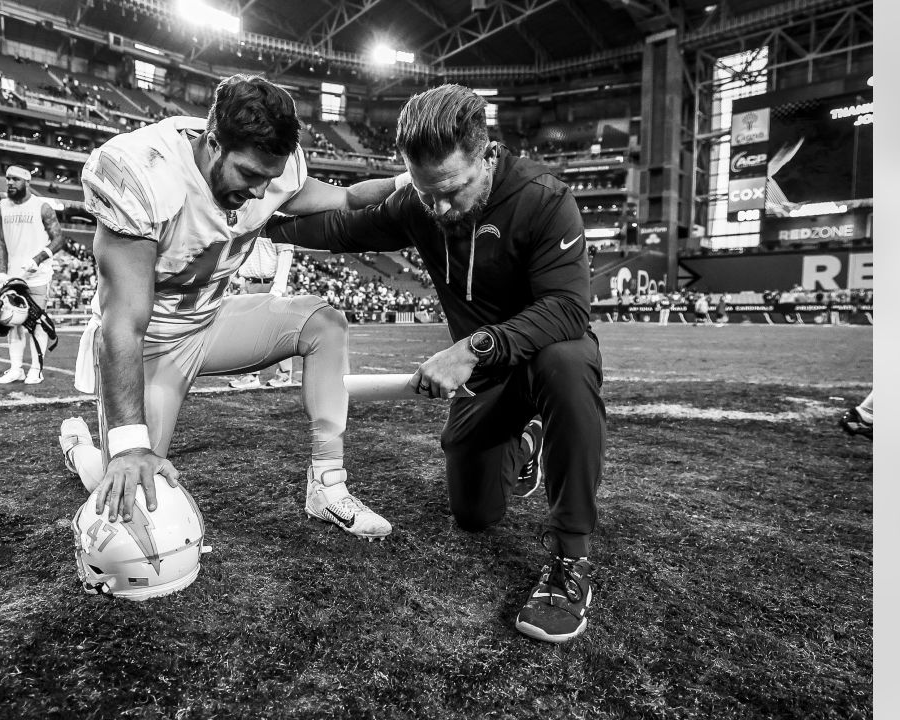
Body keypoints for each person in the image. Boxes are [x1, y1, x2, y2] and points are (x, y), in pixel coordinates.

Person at [264, 84, 606, 643]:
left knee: (568, 363)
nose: (440, 208)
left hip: (537, 357)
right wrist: (248, 215)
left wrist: (473, 348)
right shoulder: (419, 204)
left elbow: (568, 310)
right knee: (474, 515)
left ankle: (572, 562)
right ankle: (524, 446)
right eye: (426, 194)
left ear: (486, 153)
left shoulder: (545, 199)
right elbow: (339, 229)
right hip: (488, 383)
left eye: (452, 189)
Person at [56, 74, 406, 543]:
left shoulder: (272, 172)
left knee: (324, 324)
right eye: (249, 175)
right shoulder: (144, 173)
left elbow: (344, 197)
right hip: (153, 345)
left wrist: (409, 179)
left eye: (270, 178)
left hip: (212, 319)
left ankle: (327, 486)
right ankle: (83, 448)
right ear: (214, 142)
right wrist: (128, 446)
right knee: (133, 487)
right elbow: (123, 325)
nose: (262, 193)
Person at [0, 166, 66, 385]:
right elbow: (0, 242)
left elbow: (59, 239)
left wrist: (39, 258)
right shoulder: (1, 208)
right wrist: (2, 271)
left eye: (15, 179)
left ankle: (36, 368)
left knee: (36, 321)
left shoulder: (42, 207)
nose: (10, 183)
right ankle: (16, 369)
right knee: (11, 321)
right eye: (7, 179)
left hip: (38, 274)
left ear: (27, 181)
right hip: (13, 275)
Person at [227, 236, 297, 389]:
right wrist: (239, 278)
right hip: (249, 283)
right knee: (248, 333)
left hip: (270, 284)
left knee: (278, 332)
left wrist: (277, 291)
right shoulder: (250, 216)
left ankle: (285, 374)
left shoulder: (279, 220)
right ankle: (251, 375)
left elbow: (285, 254)